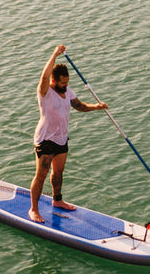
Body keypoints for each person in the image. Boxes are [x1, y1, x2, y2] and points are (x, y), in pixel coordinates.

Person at [29, 44, 107, 223]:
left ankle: (57, 201)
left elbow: (79, 106)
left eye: (67, 82)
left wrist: (97, 106)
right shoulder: (45, 91)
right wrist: (55, 54)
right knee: (41, 175)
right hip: (46, 139)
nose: (66, 85)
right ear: (54, 81)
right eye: (62, 83)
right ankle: (34, 209)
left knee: (58, 173)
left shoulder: (68, 91)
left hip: (61, 139)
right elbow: (44, 75)